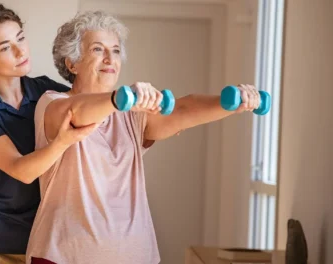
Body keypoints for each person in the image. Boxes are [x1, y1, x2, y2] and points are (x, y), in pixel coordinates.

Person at [26, 10, 263, 264]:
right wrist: (120, 98)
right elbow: (76, 112)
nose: (109, 58)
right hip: (63, 256)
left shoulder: (131, 115)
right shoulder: (53, 102)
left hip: (135, 256)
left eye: (115, 51)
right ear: (71, 63)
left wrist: (230, 104)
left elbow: (182, 109)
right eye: (98, 49)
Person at [0, 5, 98, 264]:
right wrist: (63, 141)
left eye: (21, 38)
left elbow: (86, 105)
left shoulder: (45, 91)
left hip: (42, 244)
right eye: (5, 47)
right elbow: (22, 170)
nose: (20, 51)